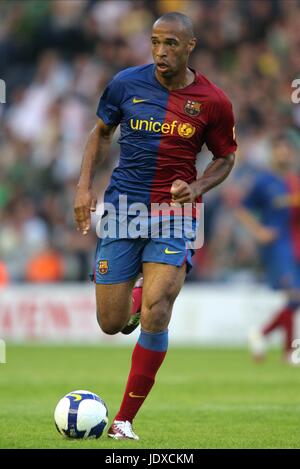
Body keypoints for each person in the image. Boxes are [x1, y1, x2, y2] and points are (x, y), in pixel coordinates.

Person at [74, 12, 237, 440]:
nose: (161, 52)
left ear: (190, 47)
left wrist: (199, 184)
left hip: (175, 213)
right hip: (124, 209)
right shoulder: (126, 83)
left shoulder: (213, 101)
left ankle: (123, 420)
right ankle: (140, 295)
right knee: (110, 323)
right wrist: (83, 187)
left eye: (170, 44)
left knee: (159, 311)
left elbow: (225, 158)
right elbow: (101, 132)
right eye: (155, 42)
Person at [236, 136, 300, 363]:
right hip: (278, 246)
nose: (286, 154)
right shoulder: (263, 181)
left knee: (294, 299)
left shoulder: (295, 180)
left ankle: (264, 337)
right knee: (294, 295)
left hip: (296, 244)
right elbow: (242, 208)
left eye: (288, 150)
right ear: (273, 153)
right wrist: (258, 231)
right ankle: (288, 351)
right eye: (281, 149)